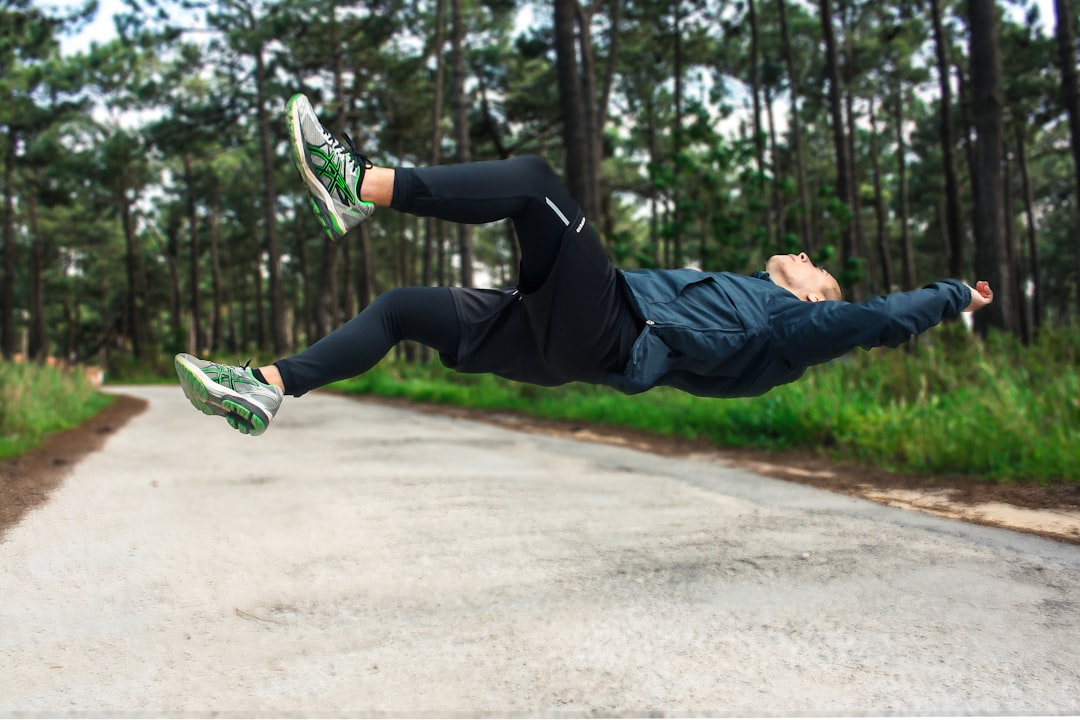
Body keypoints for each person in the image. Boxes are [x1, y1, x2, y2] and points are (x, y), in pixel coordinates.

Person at [174, 93, 994, 436]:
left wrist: (953, 294)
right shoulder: (753, 299)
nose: (809, 258)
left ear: (817, 298)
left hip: (605, 332)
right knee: (402, 309)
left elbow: (880, 319)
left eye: (820, 270)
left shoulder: (795, 330)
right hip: (565, 342)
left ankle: (358, 186)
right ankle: (269, 387)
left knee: (534, 184)